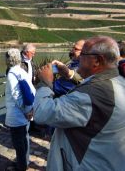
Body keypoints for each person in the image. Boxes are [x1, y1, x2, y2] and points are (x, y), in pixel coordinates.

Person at [33, 36, 125, 170]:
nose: (77, 58)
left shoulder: (94, 93)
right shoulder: (116, 79)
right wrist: (69, 74)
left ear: (97, 61)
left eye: (82, 54)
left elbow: (43, 113)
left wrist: (45, 84)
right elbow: (92, 85)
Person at [5, 48, 35, 171]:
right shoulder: (21, 71)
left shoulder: (12, 73)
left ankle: (21, 166)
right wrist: (30, 109)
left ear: (8, 59)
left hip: (17, 114)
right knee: (23, 139)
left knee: (18, 142)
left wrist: (26, 111)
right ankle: (23, 163)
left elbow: (16, 95)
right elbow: (32, 89)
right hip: (24, 113)